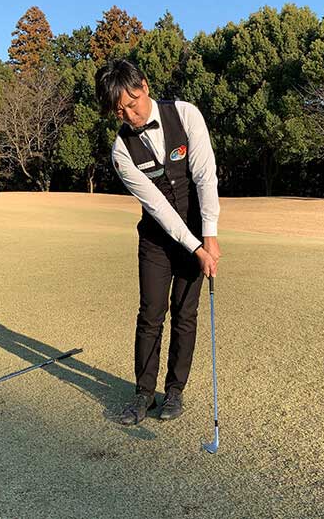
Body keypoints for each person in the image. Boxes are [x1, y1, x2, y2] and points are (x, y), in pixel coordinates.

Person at [95, 59, 220, 425]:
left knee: (185, 313)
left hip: (196, 230)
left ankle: (175, 391)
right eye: (119, 111)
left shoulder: (185, 115)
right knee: (150, 314)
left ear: (145, 86)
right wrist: (195, 247)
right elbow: (158, 207)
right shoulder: (121, 151)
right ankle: (143, 393)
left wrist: (209, 237)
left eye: (132, 104)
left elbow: (205, 176)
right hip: (155, 239)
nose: (129, 115)